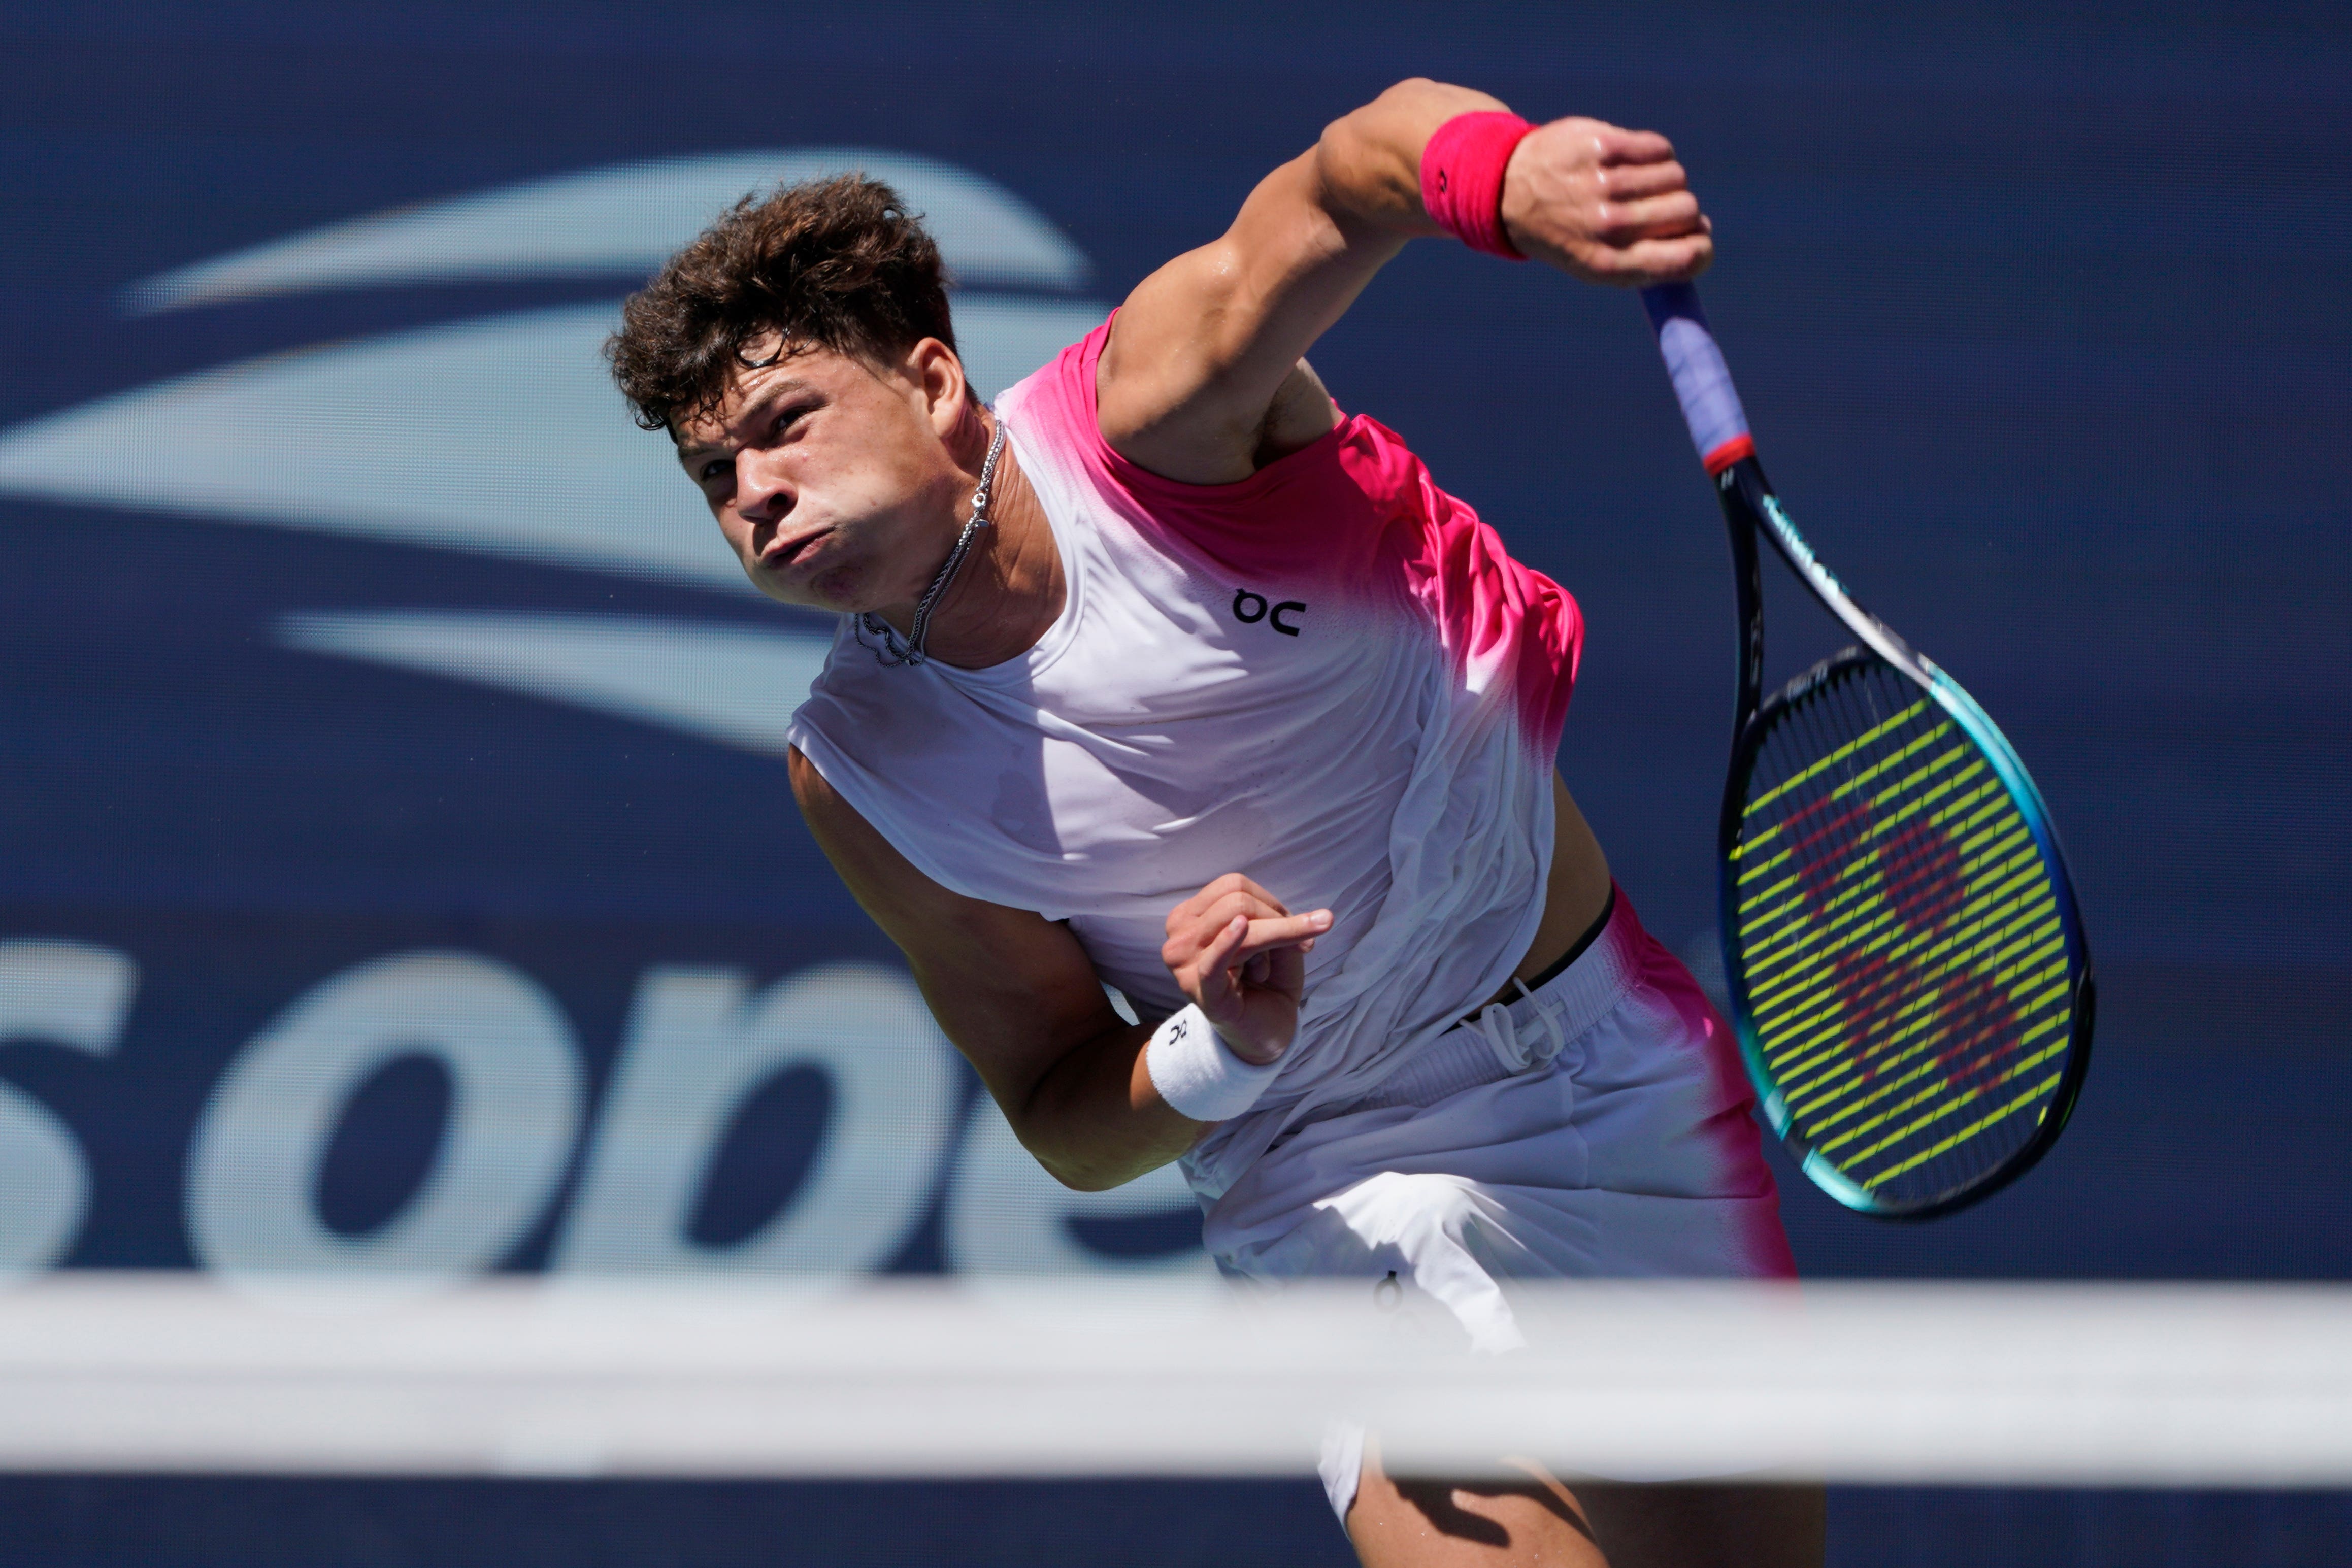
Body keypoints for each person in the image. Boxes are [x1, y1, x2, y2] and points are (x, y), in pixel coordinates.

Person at [609, 77, 1823, 1568]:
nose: (752, 494)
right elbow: (1061, 1103)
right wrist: (1216, 1046)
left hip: (1620, 1073)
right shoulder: (861, 768)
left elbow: (1339, 182)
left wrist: (1500, 176)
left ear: (930, 382)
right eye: (711, 475)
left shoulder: (1155, 417)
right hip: (1335, 1175)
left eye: (783, 426)